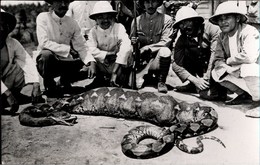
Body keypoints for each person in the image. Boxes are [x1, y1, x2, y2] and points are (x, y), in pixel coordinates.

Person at [36, 0, 96, 97]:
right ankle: (49, 85)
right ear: (52, 3)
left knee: (87, 64)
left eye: (66, 2)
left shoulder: (72, 23)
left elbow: (81, 46)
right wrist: (68, 50)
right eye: (59, 1)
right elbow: (44, 42)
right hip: (49, 63)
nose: (63, 5)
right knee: (45, 55)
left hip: (66, 62)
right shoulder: (43, 17)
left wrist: (91, 62)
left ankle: (64, 83)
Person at [209, 1, 259, 105]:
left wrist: (229, 61)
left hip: (255, 69)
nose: (223, 22)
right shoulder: (222, 36)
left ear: (237, 18)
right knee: (216, 73)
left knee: (248, 69)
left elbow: (250, 57)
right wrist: (226, 67)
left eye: (227, 18)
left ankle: (258, 102)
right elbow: (218, 59)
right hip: (235, 68)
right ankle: (243, 95)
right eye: (220, 19)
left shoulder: (249, 31)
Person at [171, 6, 225, 100]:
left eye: (187, 22)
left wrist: (207, 78)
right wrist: (195, 80)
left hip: (216, 68)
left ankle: (220, 86)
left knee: (207, 94)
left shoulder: (212, 29)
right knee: (180, 60)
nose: (184, 27)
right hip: (200, 71)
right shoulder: (183, 38)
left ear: (195, 21)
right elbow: (176, 63)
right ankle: (193, 85)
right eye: (181, 24)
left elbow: (215, 55)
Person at [0, 9, 43, 114]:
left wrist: (36, 84)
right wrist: (8, 94)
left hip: (5, 82)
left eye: (3, 24)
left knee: (20, 67)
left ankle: (13, 96)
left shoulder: (12, 42)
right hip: (4, 88)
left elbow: (27, 61)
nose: (1, 28)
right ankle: (7, 98)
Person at [130, 0, 174, 93]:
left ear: (158, 3)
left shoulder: (166, 19)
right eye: (146, 2)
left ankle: (161, 81)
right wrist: (134, 42)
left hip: (157, 59)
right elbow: (132, 43)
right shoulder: (136, 20)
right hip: (142, 61)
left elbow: (166, 41)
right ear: (143, 4)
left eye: (153, 1)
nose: (150, 5)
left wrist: (148, 48)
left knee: (165, 51)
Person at [87, 1, 132, 87]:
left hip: (117, 63)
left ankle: (120, 79)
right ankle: (99, 79)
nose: (105, 20)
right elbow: (90, 48)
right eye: (101, 18)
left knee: (128, 53)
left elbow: (126, 47)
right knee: (89, 59)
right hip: (103, 63)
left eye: (108, 17)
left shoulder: (119, 27)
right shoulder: (93, 31)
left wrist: (114, 72)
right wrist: (107, 54)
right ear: (96, 19)